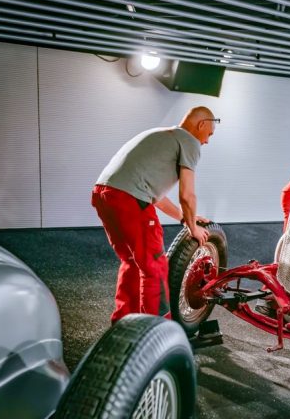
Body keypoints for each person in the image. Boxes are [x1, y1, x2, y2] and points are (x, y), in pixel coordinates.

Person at [91, 106, 216, 324]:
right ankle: (154, 330)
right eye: (210, 134)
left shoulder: (160, 135)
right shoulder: (189, 141)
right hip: (128, 199)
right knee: (154, 265)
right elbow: (187, 195)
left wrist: (184, 217)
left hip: (104, 194)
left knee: (131, 261)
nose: (207, 141)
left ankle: (124, 322)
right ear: (201, 124)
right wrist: (193, 228)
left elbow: (152, 193)